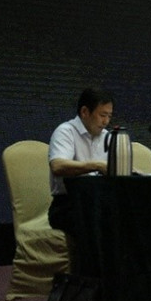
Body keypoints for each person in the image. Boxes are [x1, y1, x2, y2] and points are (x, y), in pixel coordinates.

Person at [47, 87, 113, 239]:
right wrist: (97, 165)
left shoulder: (107, 137)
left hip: (98, 200)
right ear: (85, 112)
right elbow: (57, 166)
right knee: (98, 219)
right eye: (102, 115)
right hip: (67, 204)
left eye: (109, 116)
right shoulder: (65, 131)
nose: (106, 122)